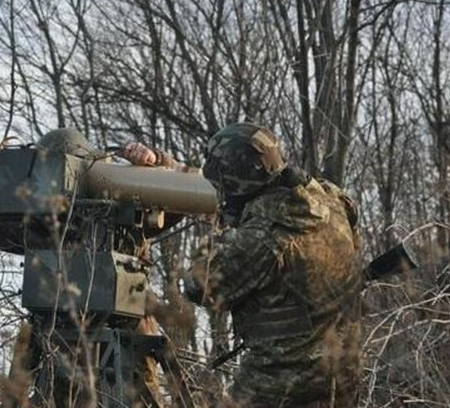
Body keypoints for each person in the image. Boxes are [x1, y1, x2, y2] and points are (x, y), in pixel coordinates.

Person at [122, 123, 363, 407]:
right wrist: (165, 165)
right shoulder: (330, 197)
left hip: (283, 382)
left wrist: (222, 229)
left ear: (236, 185)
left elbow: (200, 286)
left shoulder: (262, 239)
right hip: (345, 372)